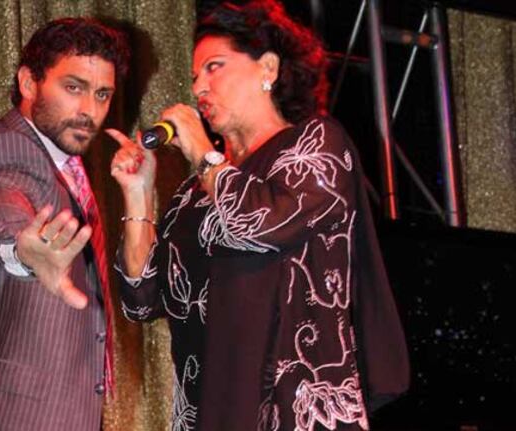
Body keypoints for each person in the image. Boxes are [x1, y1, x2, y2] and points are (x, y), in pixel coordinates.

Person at [105, 1, 409, 429]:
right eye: (194, 77)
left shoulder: (315, 144)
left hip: (295, 409)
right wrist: (138, 195)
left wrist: (201, 152)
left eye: (214, 67)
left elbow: (261, 223)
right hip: (210, 412)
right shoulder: (196, 193)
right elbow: (141, 299)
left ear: (268, 67)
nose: (199, 88)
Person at [0, 17, 129, 431]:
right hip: (22, 415)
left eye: (102, 94)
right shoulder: (6, 148)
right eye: (74, 88)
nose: (90, 111)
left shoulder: (62, 159)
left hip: (62, 408)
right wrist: (21, 250)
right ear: (29, 83)